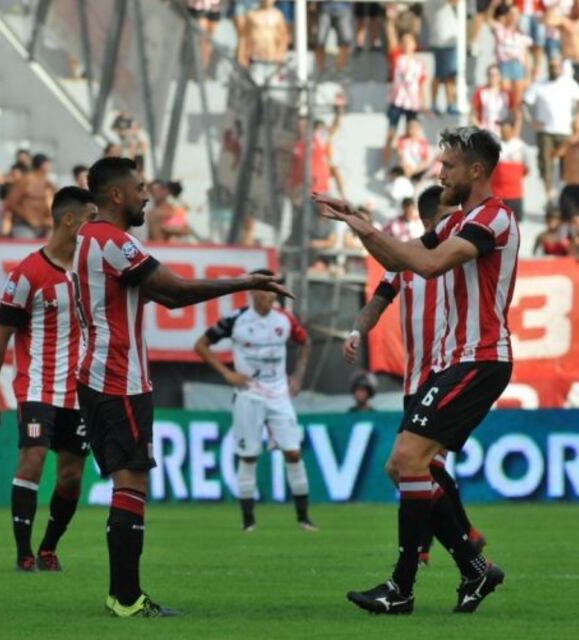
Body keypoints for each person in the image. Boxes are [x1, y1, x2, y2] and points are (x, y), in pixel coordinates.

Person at [74, 157, 292, 617]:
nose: (145, 196)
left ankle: (123, 594)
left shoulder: (90, 240)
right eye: (138, 188)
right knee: (132, 483)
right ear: (116, 195)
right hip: (118, 377)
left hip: (103, 375)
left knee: (127, 483)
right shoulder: (113, 242)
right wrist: (244, 282)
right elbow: (173, 293)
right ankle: (127, 598)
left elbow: (162, 294)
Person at [314, 126, 517, 614]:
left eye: (448, 165)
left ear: (476, 171)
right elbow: (398, 260)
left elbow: (429, 266)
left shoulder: (493, 219)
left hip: (480, 356)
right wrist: (361, 225)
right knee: (404, 465)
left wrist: (366, 229)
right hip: (454, 361)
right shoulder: (456, 223)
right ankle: (472, 570)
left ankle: (402, 588)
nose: (440, 172)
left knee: (410, 459)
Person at [345, 184, 485, 567]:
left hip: (449, 370)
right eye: (444, 219)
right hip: (415, 378)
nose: (453, 225)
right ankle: (461, 541)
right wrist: (357, 331)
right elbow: (377, 301)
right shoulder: (407, 258)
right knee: (415, 466)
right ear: (426, 221)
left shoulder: (465, 252)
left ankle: (441, 546)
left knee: (415, 463)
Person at [0, 187, 97, 573]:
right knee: (31, 460)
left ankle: (48, 547)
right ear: (68, 220)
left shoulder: (92, 273)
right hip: (37, 387)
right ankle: (23, 552)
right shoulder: (28, 273)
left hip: (80, 393)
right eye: (89, 220)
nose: (94, 229)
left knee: (71, 476)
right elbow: (1, 337)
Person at [195, 270, 315, 533]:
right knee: (248, 456)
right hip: (248, 395)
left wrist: (298, 376)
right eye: (263, 289)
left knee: (293, 452)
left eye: (272, 289)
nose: (268, 295)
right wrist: (227, 373)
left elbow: (305, 343)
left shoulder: (285, 319)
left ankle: (304, 519)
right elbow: (201, 345)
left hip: (279, 394)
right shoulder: (236, 320)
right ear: (252, 292)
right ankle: (248, 522)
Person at [523, 56, 579, 198]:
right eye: (552, 66)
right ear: (548, 68)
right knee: (545, 161)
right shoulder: (539, 84)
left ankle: (564, 188)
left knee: (567, 161)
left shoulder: (569, 84)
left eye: (557, 66)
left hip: (565, 130)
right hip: (545, 130)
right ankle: (548, 191)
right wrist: (531, 121)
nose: (554, 69)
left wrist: (578, 117)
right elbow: (524, 103)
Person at [382, 32, 428, 169]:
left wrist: (424, 103)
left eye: (410, 41)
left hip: (412, 102)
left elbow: (422, 83)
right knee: (391, 131)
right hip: (397, 100)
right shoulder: (397, 58)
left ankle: (410, 162)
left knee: (412, 132)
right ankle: (385, 162)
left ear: (414, 44)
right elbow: (391, 41)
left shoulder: (419, 64)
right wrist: (390, 24)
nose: (407, 45)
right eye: (404, 42)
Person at [487, 0, 533, 108]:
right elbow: (488, 20)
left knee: (517, 102)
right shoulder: (500, 29)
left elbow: (526, 56)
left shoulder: (522, 34)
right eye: (511, 14)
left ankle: (517, 124)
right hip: (504, 66)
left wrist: (528, 76)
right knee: (505, 99)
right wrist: (493, 6)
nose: (514, 17)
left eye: (516, 14)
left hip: (518, 66)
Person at [4, 154, 56, 239]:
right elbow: (10, 202)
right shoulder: (26, 180)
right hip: (23, 226)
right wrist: (29, 218)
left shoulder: (47, 182)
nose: (50, 167)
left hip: (43, 226)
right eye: (48, 164)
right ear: (42, 165)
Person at [492, 115, 533, 219]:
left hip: (514, 194)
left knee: (514, 224)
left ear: (511, 128)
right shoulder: (493, 145)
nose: (501, 129)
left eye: (503, 126)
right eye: (500, 126)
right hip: (496, 194)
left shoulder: (521, 146)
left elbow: (527, 169)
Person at [424, 0, 460, 115]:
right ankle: (440, 104)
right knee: (443, 75)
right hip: (444, 42)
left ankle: (449, 103)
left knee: (449, 75)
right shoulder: (435, 3)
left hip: (445, 41)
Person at [245, 0, 290, 85]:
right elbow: (245, 37)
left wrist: (280, 54)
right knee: (255, 88)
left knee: (272, 89)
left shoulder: (277, 15)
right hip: (256, 60)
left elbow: (284, 37)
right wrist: (244, 56)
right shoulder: (251, 14)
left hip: (272, 60)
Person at [471, 65, 513, 138]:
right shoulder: (481, 93)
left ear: (500, 76)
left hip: (504, 133)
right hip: (486, 131)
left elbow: (516, 114)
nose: (493, 78)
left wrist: (512, 132)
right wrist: (480, 129)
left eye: (496, 75)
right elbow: (473, 114)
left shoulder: (507, 94)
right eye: (491, 75)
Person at [315, 2, 353, 75]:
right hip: (324, 8)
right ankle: (320, 71)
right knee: (319, 41)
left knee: (345, 40)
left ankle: (340, 70)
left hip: (344, 8)